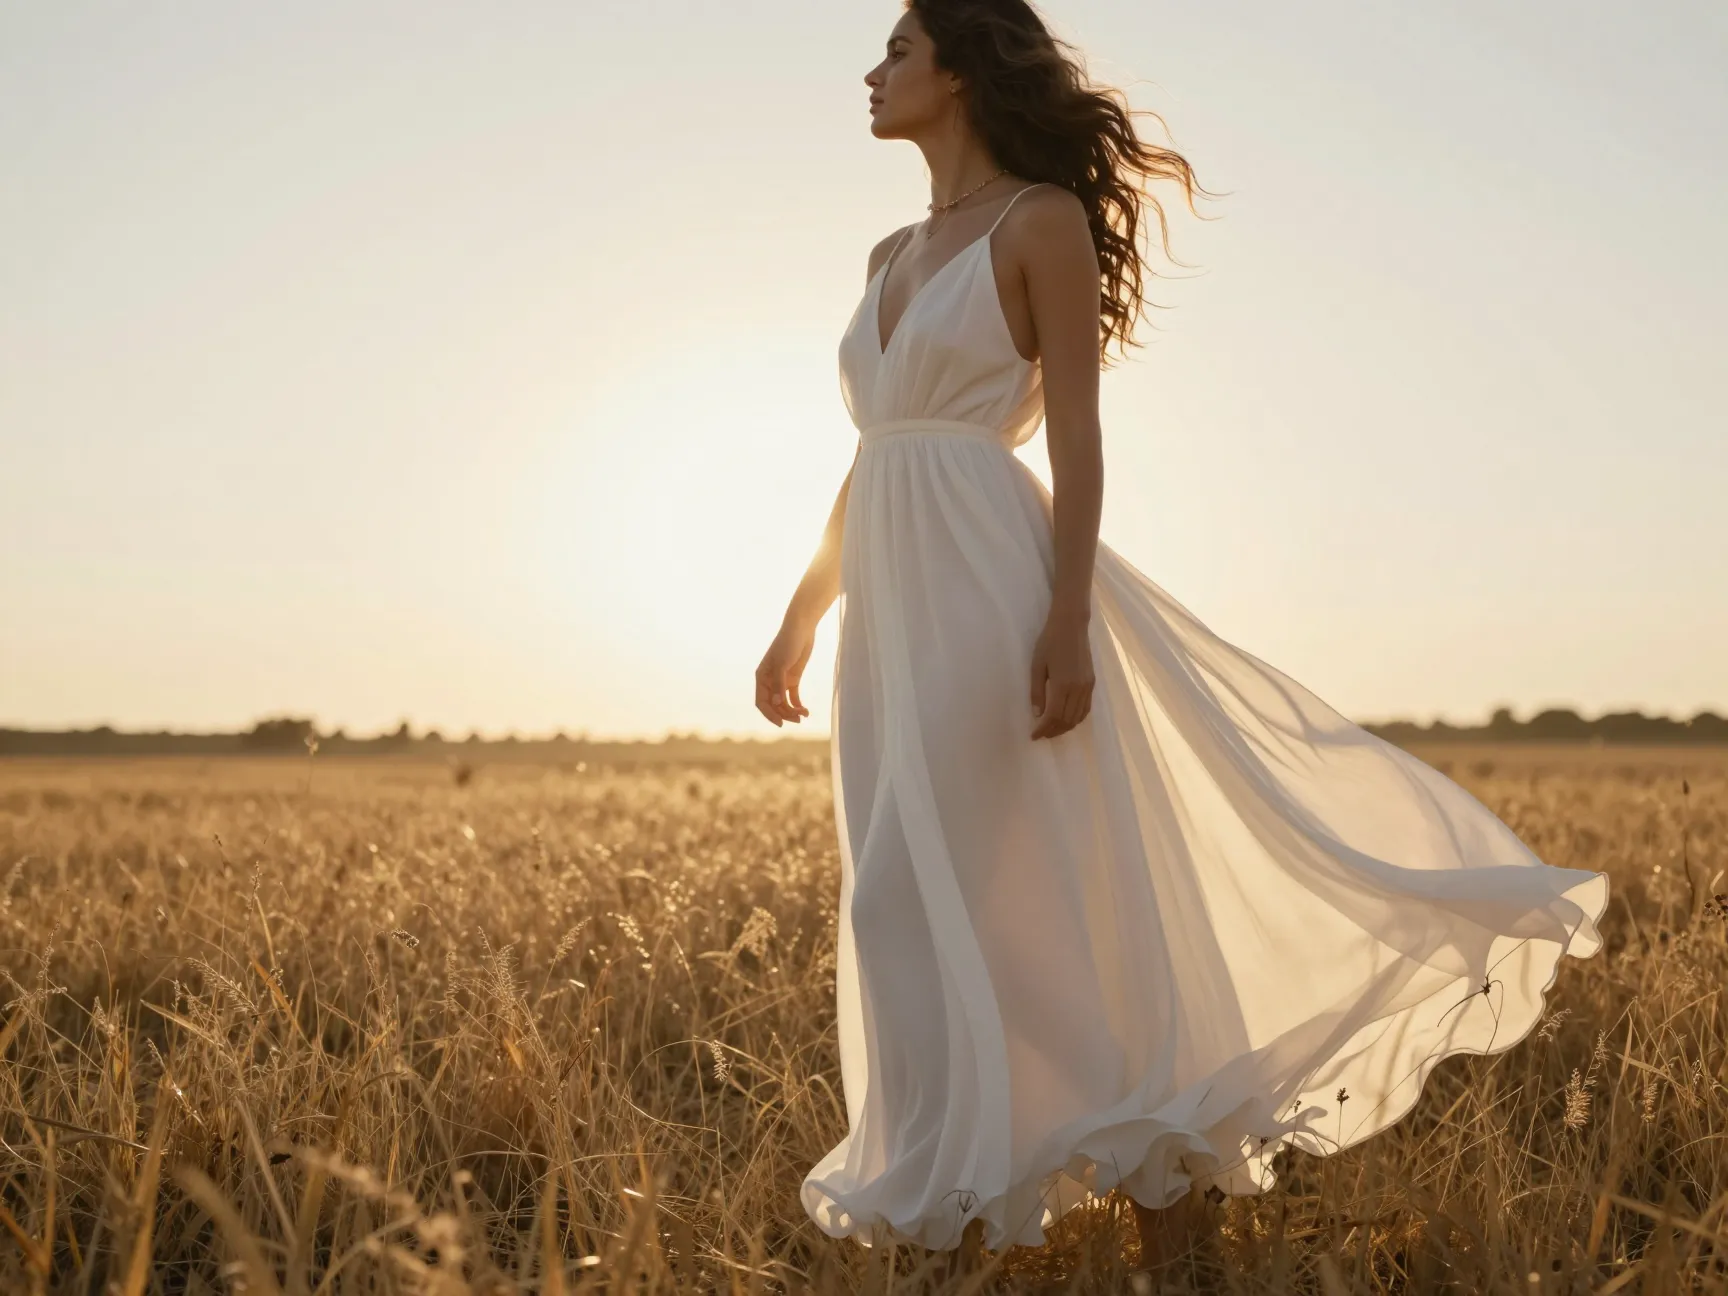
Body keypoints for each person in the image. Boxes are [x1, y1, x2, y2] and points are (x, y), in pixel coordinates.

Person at [752, 0, 1609, 1272]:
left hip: (990, 587)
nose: (872, 72)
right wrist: (799, 613)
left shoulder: (1040, 222)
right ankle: (965, 1212)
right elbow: (876, 452)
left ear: (963, 71)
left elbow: (1080, 441)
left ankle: (1165, 1217)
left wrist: (1065, 617)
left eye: (898, 50)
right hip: (890, 608)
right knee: (905, 908)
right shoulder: (888, 252)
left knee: (1006, 898)